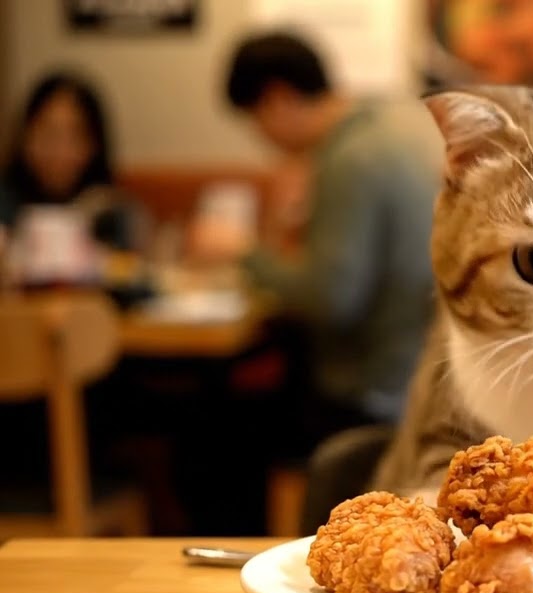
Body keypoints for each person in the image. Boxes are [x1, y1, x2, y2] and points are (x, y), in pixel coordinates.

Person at [192, 31, 438, 441]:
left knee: (215, 424)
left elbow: (331, 301)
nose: (261, 138)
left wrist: (243, 252)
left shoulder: (350, 159)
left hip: (374, 392)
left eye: (255, 119)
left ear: (278, 99)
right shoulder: (386, 128)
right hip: (420, 375)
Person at [0, 70, 141, 251]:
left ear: (95, 145)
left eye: (76, 137)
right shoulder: (4, 202)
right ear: (25, 137)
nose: (61, 150)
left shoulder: (108, 209)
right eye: (49, 134)